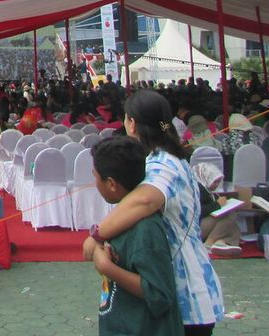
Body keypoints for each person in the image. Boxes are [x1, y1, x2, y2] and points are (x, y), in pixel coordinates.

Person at [86, 89, 223, 336]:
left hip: (184, 295)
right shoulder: (168, 157)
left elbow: (145, 200)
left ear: (132, 122)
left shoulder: (162, 163)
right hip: (178, 288)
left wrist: (97, 235)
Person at [89, 136, 182, 336]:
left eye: (95, 176)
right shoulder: (120, 218)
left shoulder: (145, 230)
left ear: (112, 184)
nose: (94, 182)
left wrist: (107, 267)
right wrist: (98, 248)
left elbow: (159, 294)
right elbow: (86, 249)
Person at [191, 163, 242, 256]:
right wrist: (218, 204)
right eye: (215, 182)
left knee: (232, 224)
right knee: (227, 221)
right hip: (195, 226)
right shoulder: (198, 190)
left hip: (201, 224)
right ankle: (210, 243)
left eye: (219, 182)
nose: (217, 185)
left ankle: (221, 242)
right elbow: (197, 210)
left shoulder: (207, 191)